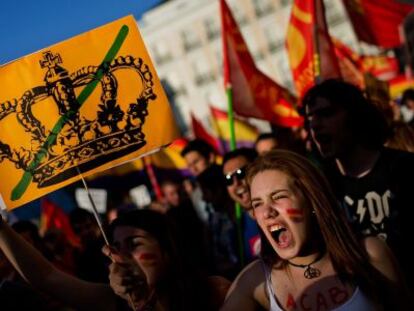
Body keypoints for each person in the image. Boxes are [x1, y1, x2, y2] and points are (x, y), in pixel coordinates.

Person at [221, 150, 411, 310]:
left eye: (278, 196)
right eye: (258, 203)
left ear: (311, 200)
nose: (267, 212)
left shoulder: (370, 254)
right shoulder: (254, 281)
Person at [303, 79, 414, 291]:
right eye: (311, 118)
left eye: (326, 114)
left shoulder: (404, 169)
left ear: (354, 115)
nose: (315, 125)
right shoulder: (320, 188)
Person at [0, 209, 230, 310]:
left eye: (135, 244)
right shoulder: (114, 303)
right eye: (118, 247)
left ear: (168, 249)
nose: (124, 256)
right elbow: (46, 277)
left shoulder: (214, 292)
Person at [222, 148, 261, 262]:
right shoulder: (236, 230)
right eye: (228, 179)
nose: (236, 183)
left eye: (241, 173)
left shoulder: (280, 211)